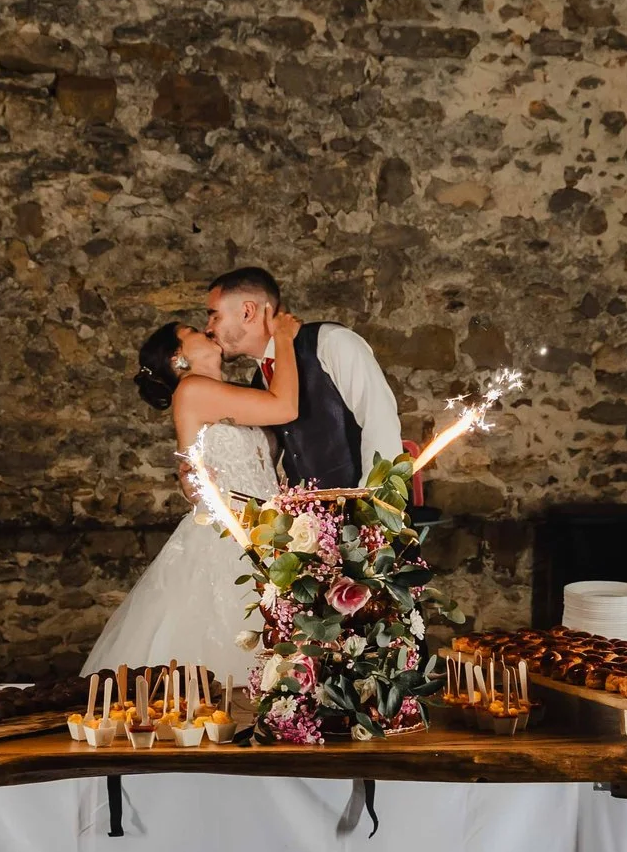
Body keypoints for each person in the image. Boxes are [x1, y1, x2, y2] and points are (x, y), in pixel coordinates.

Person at [82, 309, 302, 678]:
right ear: (177, 357)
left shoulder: (231, 394)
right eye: (194, 332)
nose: (208, 331)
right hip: (228, 537)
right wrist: (282, 337)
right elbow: (285, 407)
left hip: (266, 532)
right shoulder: (193, 389)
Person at [204, 267, 400, 489]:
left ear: (247, 312)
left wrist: (374, 504)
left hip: (363, 511)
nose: (208, 328)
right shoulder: (261, 380)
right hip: (308, 519)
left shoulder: (331, 343)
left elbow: (380, 422)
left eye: (214, 316)